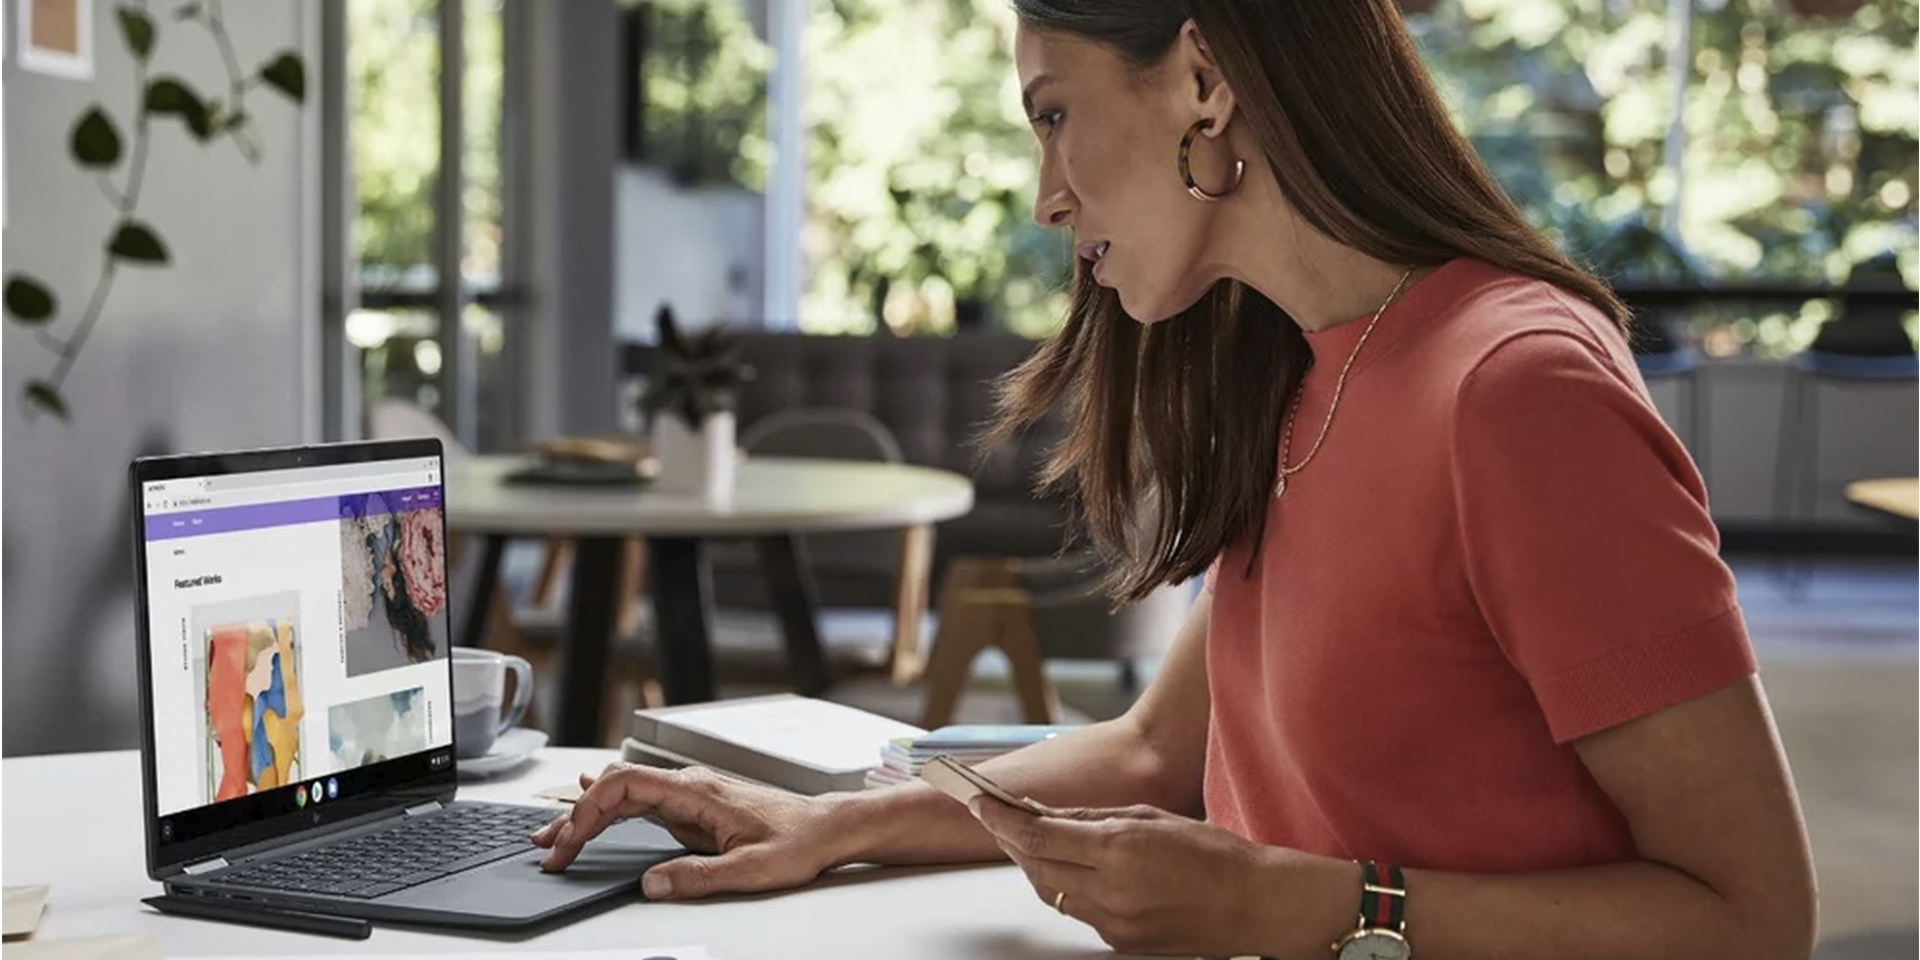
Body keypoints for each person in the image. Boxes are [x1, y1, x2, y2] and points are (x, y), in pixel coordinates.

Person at [534, 3, 1818, 957]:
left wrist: (1319, 904)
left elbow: (1755, 916)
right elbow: (1159, 747)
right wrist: (832, 824)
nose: (1047, 193)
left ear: (1203, 80)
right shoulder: (1297, 371)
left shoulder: (1519, 393)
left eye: (1053, 114)